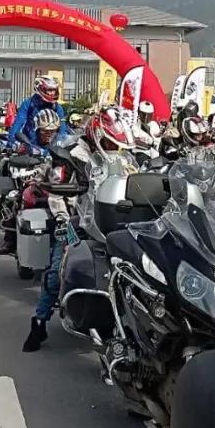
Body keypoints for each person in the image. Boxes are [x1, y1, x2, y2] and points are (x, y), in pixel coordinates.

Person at [23, 107, 138, 352]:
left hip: (115, 221)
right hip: (79, 219)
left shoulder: (122, 158)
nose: (113, 148)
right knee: (57, 271)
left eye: (117, 144)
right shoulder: (70, 155)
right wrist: (62, 218)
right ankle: (39, 322)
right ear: (97, 135)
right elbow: (57, 191)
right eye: (109, 142)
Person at [0, 109, 65, 257]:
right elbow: (18, 157)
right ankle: (10, 239)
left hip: (56, 181)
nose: (49, 134)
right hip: (34, 178)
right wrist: (25, 163)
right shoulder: (29, 143)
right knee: (16, 197)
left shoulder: (62, 143)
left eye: (53, 131)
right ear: (38, 130)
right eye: (45, 131)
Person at [6, 75, 69, 155]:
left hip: (51, 149)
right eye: (49, 90)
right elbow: (18, 124)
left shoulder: (58, 107)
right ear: (40, 88)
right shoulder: (28, 104)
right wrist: (12, 142)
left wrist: (62, 142)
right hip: (30, 148)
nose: (52, 93)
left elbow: (63, 128)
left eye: (54, 90)